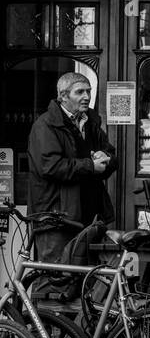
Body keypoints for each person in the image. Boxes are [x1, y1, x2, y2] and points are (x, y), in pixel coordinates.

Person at [27, 72, 117, 263]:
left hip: (89, 217)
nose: (86, 97)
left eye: (88, 91)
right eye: (80, 92)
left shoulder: (90, 122)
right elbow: (50, 166)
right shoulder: (45, 125)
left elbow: (111, 155)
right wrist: (91, 166)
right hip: (57, 220)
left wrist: (106, 158)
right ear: (63, 96)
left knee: (87, 280)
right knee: (57, 280)